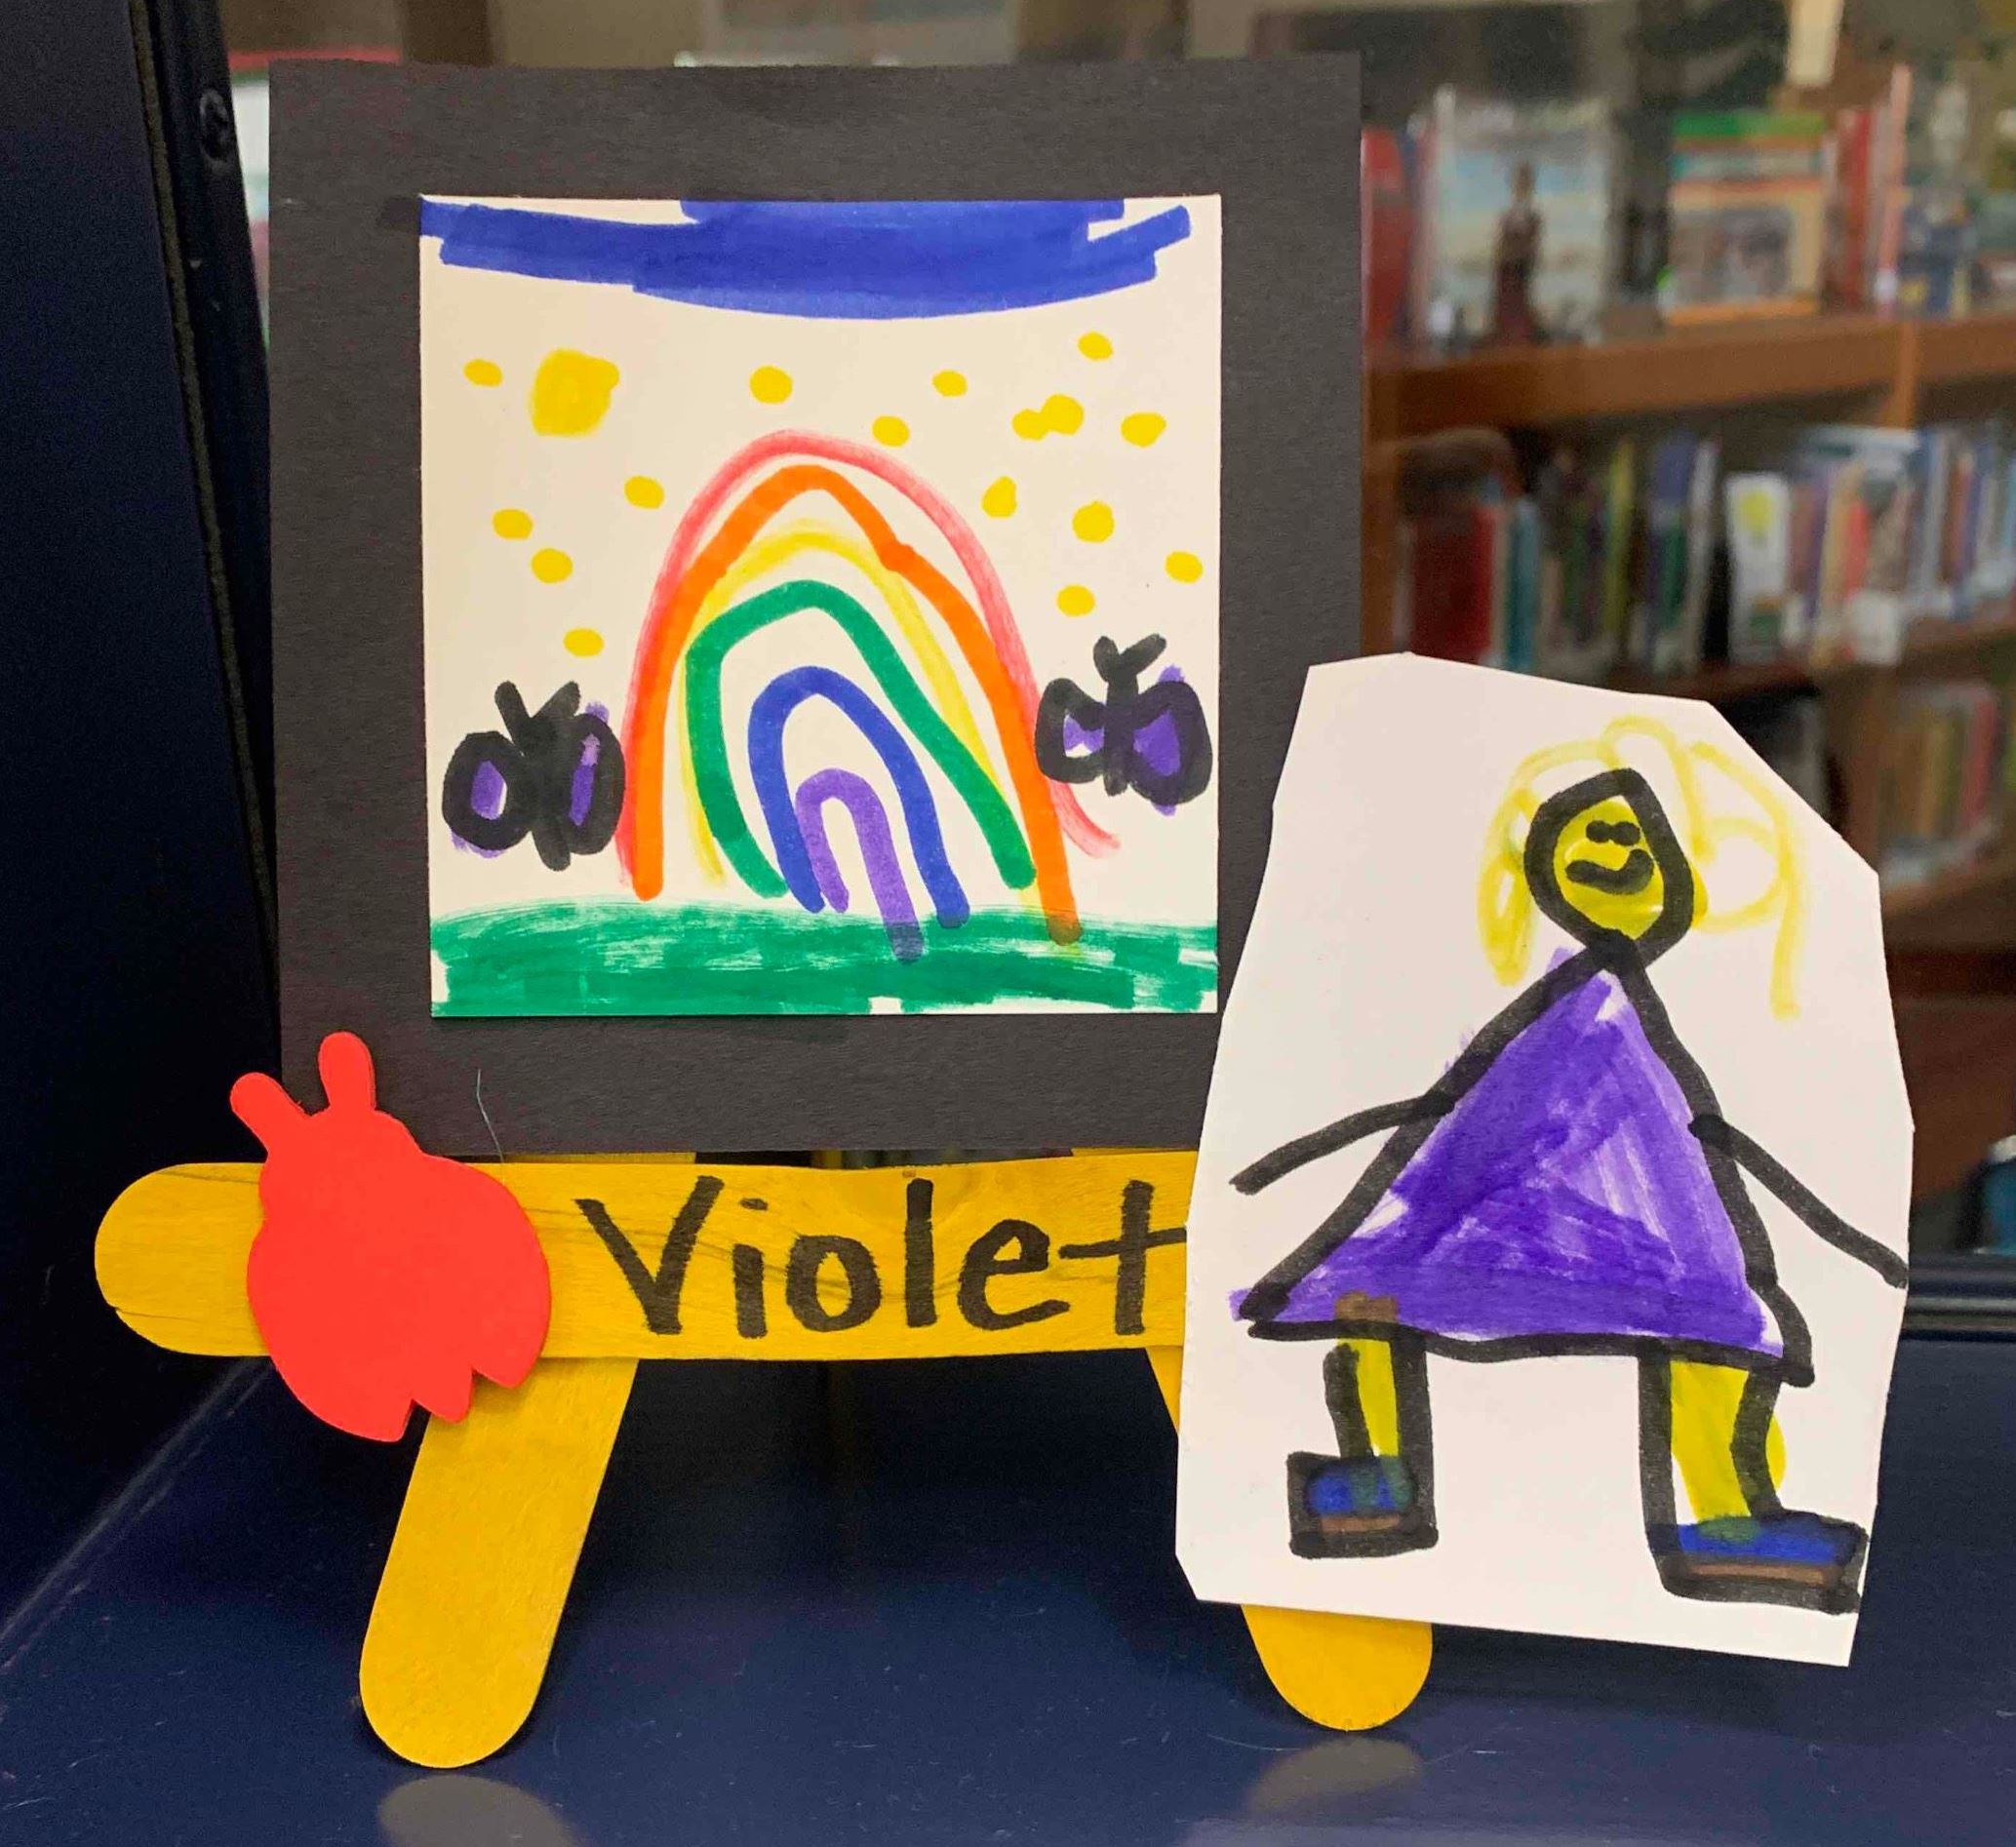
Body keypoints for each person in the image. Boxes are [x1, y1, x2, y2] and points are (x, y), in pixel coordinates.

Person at [1233, 762, 1908, 1613]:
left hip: (1645, 1221)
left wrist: (1831, 1222)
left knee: (1722, 1326)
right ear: (1552, 875)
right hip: (1500, 1212)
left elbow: (1704, 1132)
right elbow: (1453, 1101)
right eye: (1599, 838)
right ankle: (1377, 1481)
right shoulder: (1569, 1002)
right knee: (1373, 1296)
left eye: (1635, 843)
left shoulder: (1623, 1008)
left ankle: (1726, 1522)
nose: (1619, 855)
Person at [1490, 159, 1544, 343]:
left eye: (1524, 182)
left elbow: (1532, 245)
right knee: (1505, 308)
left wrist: (1521, 253)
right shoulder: (1508, 214)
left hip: (1521, 270)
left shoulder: (1532, 216)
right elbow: (1501, 244)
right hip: (1506, 270)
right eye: (1518, 182)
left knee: (1519, 308)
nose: (1520, 187)